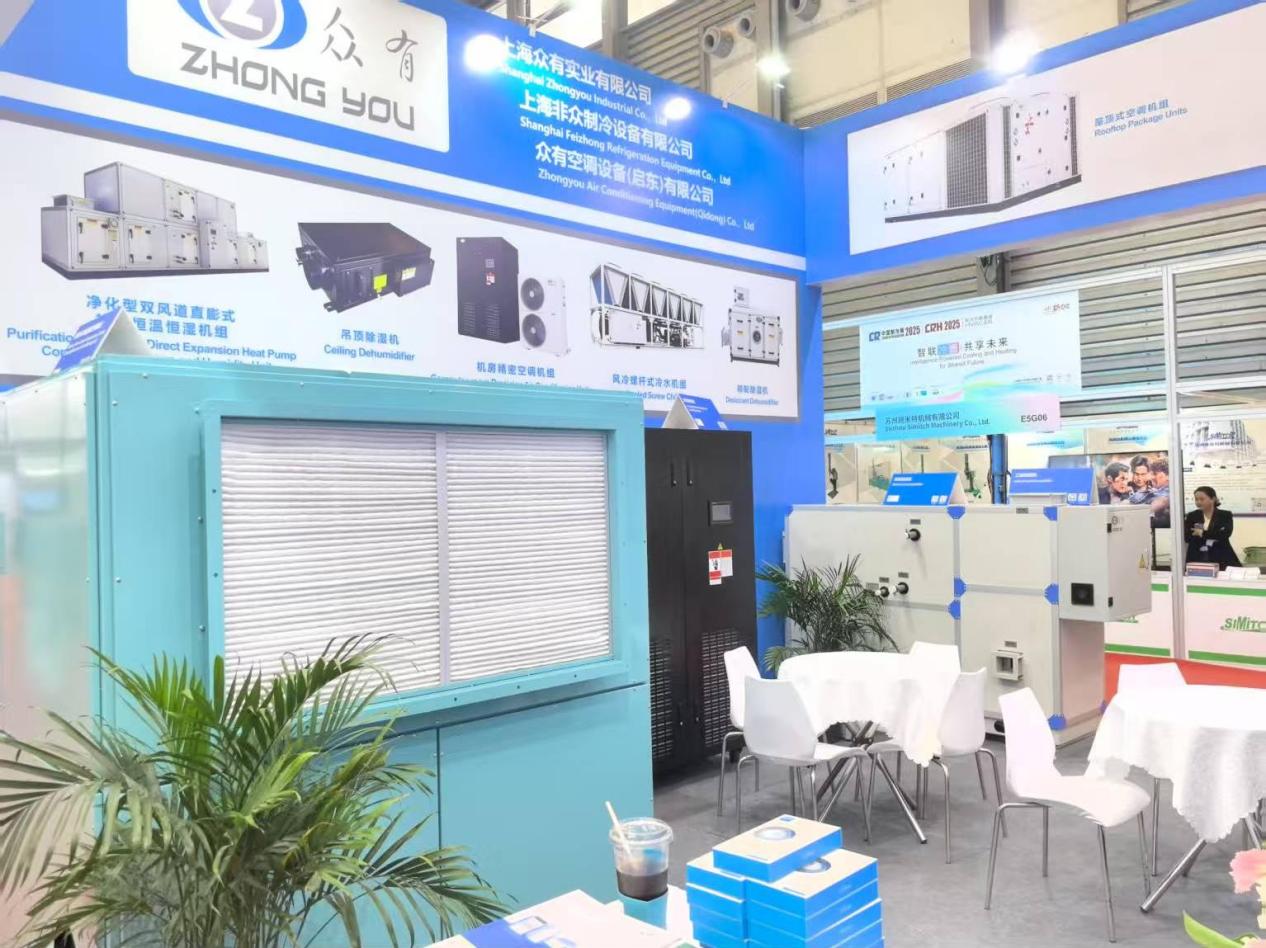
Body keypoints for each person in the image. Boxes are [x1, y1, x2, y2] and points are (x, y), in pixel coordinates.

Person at [1184, 485, 1241, 569]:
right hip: (1197, 556)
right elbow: (1187, 537)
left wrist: (1202, 533)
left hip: (1221, 556)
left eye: (1202, 499)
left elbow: (1225, 534)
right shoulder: (1192, 516)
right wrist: (1213, 534)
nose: (1198, 502)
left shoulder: (1225, 515)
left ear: (1213, 499)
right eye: (1196, 499)